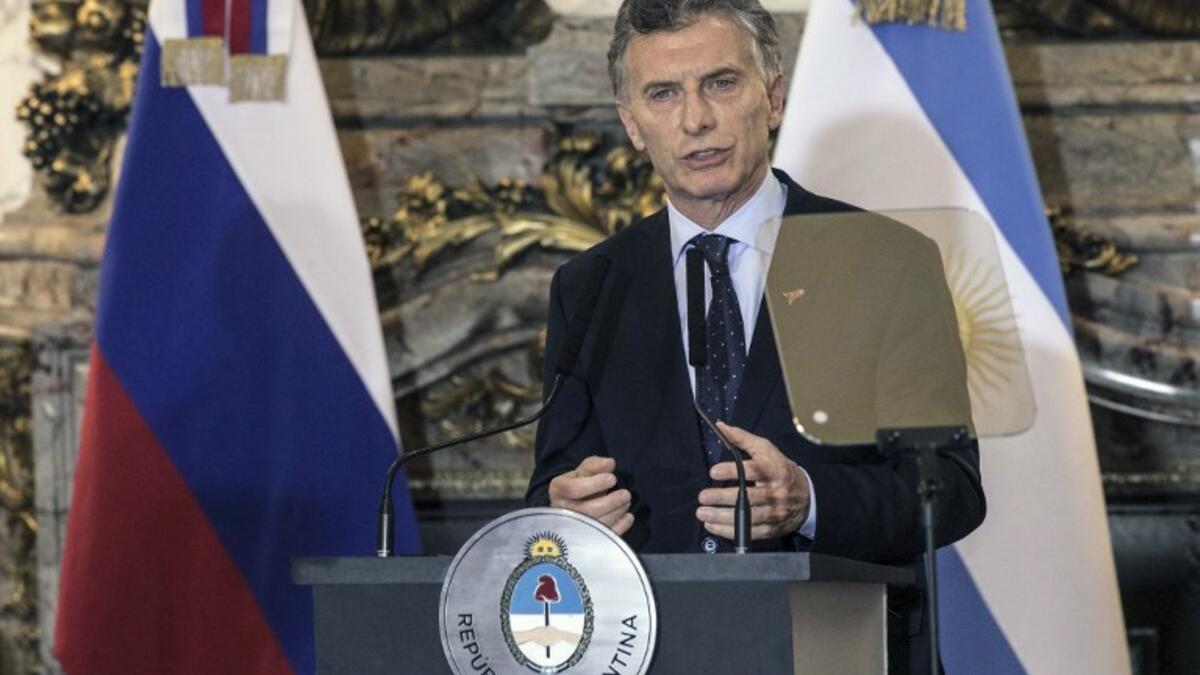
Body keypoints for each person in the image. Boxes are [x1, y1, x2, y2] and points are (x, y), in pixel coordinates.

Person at [526, 1, 984, 672]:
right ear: (632, 124)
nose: (695, 119)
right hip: (654, 650)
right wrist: (563, 513)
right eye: (663, 93)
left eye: (720, 82)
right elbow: (551, 487)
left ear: (772, 97)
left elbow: (952, 486)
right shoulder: (591, 284)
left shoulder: (885, 260)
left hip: (841, 647)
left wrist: (809, 498)